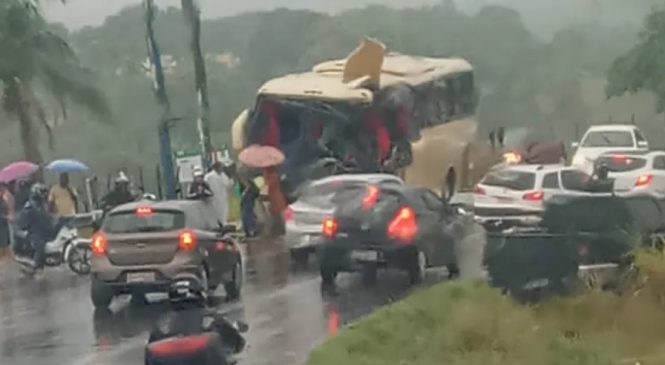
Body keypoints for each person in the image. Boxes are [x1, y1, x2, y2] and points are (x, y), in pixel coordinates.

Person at [145, 275, 246, 365]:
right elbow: (237, 342)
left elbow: (150, 349)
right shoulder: (210, 317)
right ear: (200, 294)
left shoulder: (163, 322)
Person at [16, 184, 58, 278]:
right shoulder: (30, 206)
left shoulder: (42, 204)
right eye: (42, 193)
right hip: (34, 232)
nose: (44, 195)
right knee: (40, 244)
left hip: (43, 230)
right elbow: (24, 222)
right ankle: (36, 265)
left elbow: (49, 216)